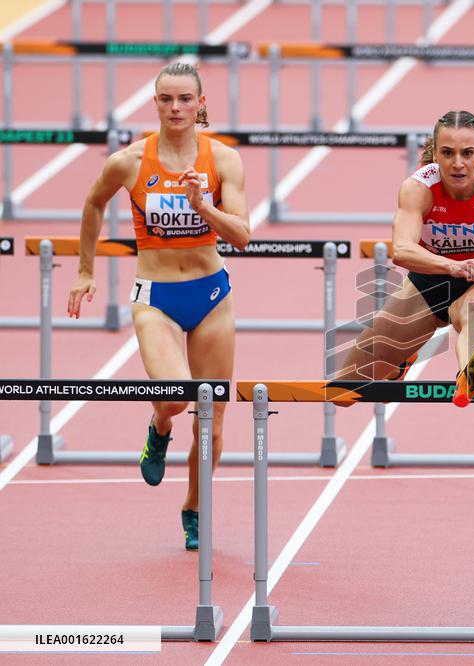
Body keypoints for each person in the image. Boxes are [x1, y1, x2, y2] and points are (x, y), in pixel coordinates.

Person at [68, 62, 250, 549]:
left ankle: (193, 508)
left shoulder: (224, 160)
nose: (175, 108)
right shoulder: (129, 161)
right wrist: (85, 270)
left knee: (211, 420)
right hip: (157, 297)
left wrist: (203, 205)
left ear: (201, 104)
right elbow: (93, 203)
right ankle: (159, 424)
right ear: (155, 104)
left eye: (185, 99)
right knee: (175, 397)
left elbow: (243, 235)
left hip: (211, 296)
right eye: (166, 99)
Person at [334, 110, 474, 407]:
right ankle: (401, 362)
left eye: (467, 153)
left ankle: (470, 374)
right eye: (448, 153)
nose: (458, 163)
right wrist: (453, 266)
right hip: (427, 284)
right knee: (343, 392)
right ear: (435, 154)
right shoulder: (418, 189)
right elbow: (402, 250)